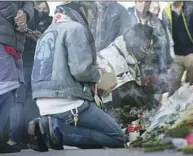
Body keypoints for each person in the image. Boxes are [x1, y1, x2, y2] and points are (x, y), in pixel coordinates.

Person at [28, 2, 126, 152]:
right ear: (82, 11)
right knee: (117, 137)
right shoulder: (76, 28)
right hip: (68, 102)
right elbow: (80, 71)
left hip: (42, 102)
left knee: (95, 136)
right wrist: (99, 74)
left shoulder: (47, 32)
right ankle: (55, 131)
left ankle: (43, 127)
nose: (92, 18)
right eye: (92, 13)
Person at [10, 1, 52, 149]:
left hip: (20, 61)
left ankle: (15, 137)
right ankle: (31, 135)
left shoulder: (14, 12)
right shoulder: (34, 15)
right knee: (31, 101)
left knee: (18, 101)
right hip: (36, 63)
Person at [98, 24, 156, 127]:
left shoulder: (129, 54)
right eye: (147, 47)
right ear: (135, 44)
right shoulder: (113, 57)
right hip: (103, 111)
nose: (150, 52)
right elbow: (127, 94)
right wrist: (154, 102)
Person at [0, 1, 34, 153]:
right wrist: (17, 16)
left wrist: (25, 12)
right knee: (5, 87)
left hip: (14, 41)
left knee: (10, 89)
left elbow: (28, 2)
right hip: (0, 38)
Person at [127, 1, 172, 107]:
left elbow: (164, 51)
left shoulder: (158, 23)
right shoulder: (126, 17)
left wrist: (164, 75)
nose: (143, 4)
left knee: (153, 104)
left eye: (146, 1)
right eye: (140, 1)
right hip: (132, 68)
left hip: (153, 69)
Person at [162, 1, 193, 95]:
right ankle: (174, 107)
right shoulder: (165, 12)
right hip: (176, 54)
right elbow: (165, 37)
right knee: (172, 84)